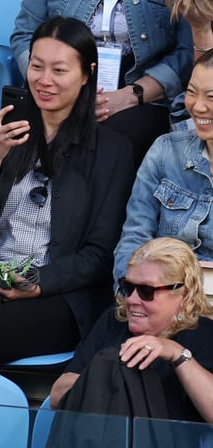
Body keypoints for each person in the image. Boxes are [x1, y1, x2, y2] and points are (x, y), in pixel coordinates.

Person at [0, 17, 135, 371]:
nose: (44, 80)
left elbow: (100, 255)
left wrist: (36, 282)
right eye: (36, 66)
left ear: (86, 74)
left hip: (56, 298)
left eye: (59, 70)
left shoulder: (112, 151)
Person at [43, 238, 213, 448]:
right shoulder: (115, 321)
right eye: (128, 287)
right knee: (114, 364)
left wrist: (176, 354)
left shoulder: (203, 334)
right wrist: (112, 375)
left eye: (146, 291)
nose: (132, 299)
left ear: (184, 293)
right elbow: (58, 394)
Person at [11, 0, 194, 168]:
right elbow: (25, 35)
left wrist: (131, 95)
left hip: (141, 87)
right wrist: (54, 84)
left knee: (117, 139)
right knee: (20, 129)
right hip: (59, 78)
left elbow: (188, 51)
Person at [113, 49, 213, 284]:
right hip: (160, 295)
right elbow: (135, 236)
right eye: (191, 92)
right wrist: (131, 292)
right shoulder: (165, 151)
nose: (197, 107)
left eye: (211, 97)